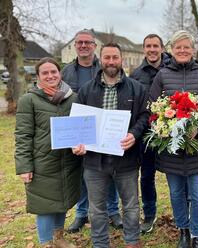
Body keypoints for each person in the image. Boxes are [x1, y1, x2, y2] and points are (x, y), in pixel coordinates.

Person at [72, 43, 149, 248]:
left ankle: (132, 242)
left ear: (121, 59)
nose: (111, 62)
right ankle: (100, 244)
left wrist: (134, 134)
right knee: (96, 209)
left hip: (127, 159)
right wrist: (78, 143)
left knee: (131, 206)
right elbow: (78, 123)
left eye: (115, 57)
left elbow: (144, 116)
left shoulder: (136, 88)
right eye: (107, 58)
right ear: (101, 59)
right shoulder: (87, 90)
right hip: (94, 162)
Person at [149, 30, 198, 248]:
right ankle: (184, 231)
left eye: (186, 47)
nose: (182, 50)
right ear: (171, 50)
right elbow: (152, 107)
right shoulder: (163, 75)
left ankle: (197, 234)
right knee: (177, 194)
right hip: (172, 149)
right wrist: (163, 126)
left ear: (193, 49)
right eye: (178, 47)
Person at [15, 57, 81, 248]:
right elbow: (23, 135)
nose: (50, 75)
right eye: (45, 73)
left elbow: (80, 128)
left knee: (62, 200)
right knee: (44, 205)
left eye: (54, 71)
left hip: (68, 161)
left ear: (60, 73)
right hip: (42, 162)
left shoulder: (72, 98)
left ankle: (58, 238)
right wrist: (24, 166)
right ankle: (46, 243)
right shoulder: (29, 100)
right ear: (38, 77)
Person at [62, 29, 122, 233]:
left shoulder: (106, 65)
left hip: (106, 129)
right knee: (83, 173)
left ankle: (113, 211)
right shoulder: (66, 71)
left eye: (88, 42)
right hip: (81, 130)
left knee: (111, 171)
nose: (83, 46)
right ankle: (81, 213)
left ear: (94, 46)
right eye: (79, 42)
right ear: (75, 45)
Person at [129, 33, 170, 234]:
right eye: (148, 46)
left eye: (155, 46)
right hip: (146, 134)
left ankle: (184, 212)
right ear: (143, 49)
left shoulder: (173, 68)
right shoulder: (136, 75)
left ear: (162, 48)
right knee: (146, 175)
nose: (152, 49)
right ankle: (150, 213)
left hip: (173, 132)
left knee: (178, 174)